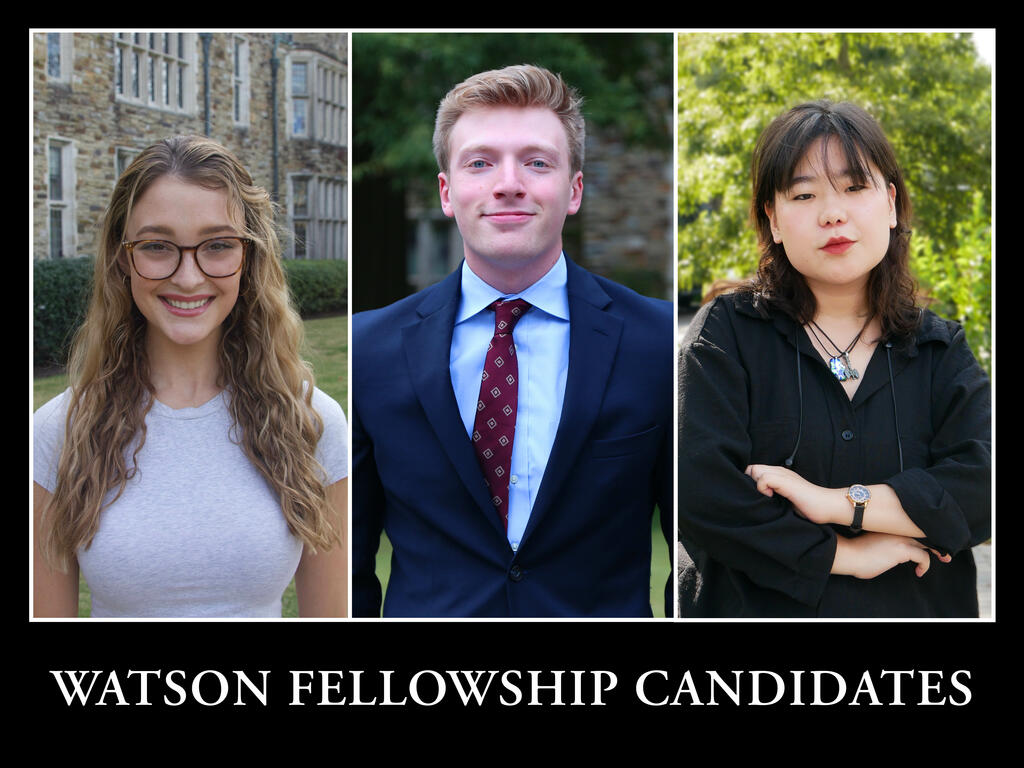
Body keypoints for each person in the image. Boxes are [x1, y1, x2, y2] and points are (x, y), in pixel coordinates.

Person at [352, 64, 673, 617]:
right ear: (447, 193)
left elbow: (696, 556)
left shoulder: (658, 342)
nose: (507, 183)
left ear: (573, 190)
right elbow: (347, 567)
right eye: (480, 163)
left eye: (536, 162)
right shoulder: (370, 350)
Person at [677, 101, 991, 617]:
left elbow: (981, 489)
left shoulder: (940, 350)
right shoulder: (727, 335)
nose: (832, 213)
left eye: (854, 187)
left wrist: (841, 502)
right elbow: (701, 492)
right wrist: (841, 555)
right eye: (804, 194)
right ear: (772, 220)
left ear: (890, 204)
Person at [33, 136, 348, 618]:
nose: (187, 276)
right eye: (158, 246)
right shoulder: (59, 430)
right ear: (123, 258)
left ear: (249, 258)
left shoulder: (312, 422)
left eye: (218, 245)